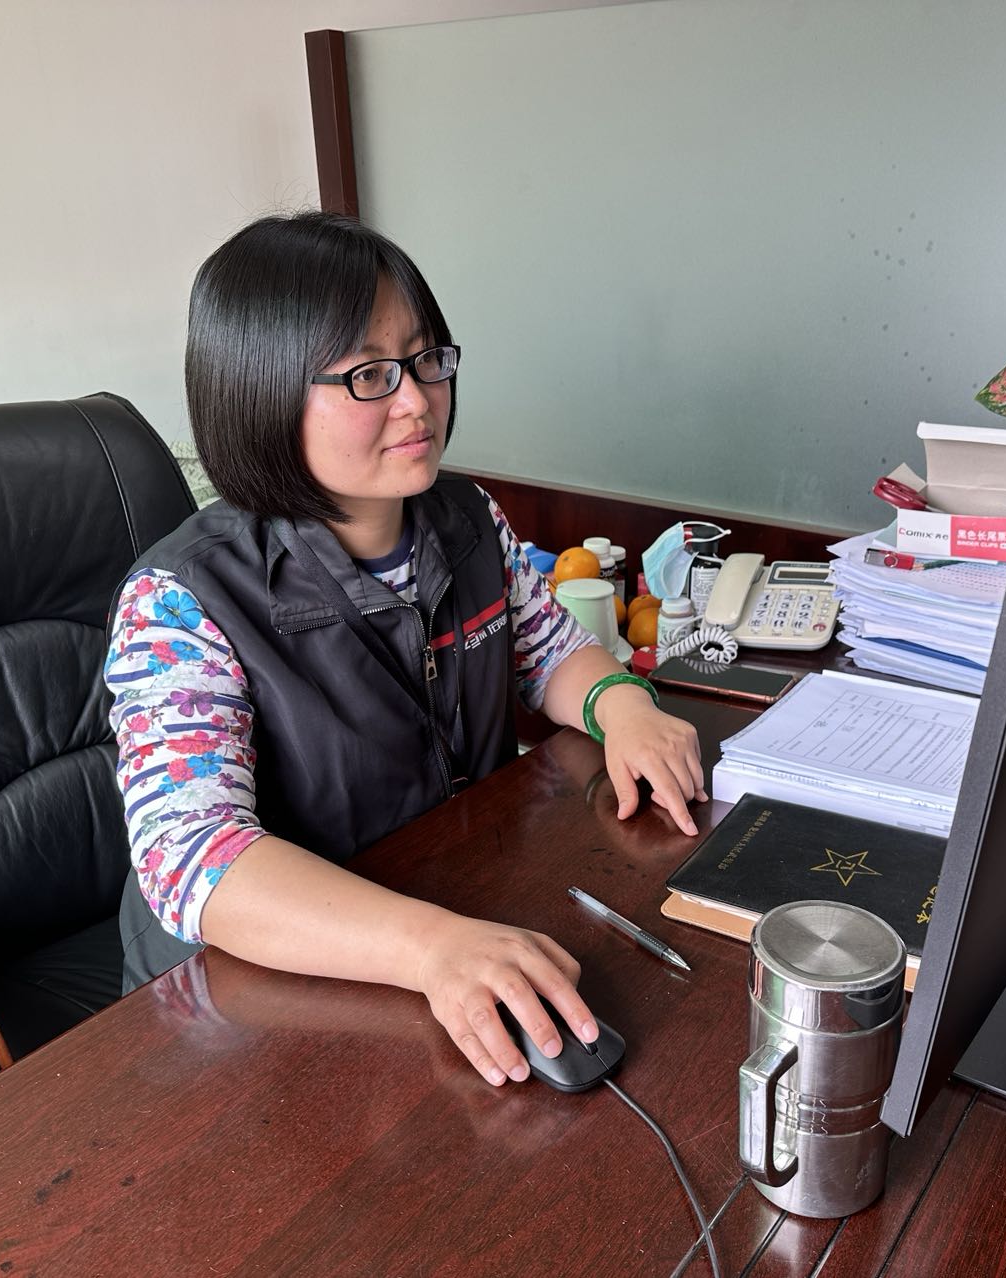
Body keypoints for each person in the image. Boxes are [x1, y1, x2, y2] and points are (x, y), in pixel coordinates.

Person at [104, 211, 707, 1088]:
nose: (418, 399)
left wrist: (623, 707)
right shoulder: (180, 601)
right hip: (262, 1004)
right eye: (369, 374)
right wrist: (430, 949)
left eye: (426, 359)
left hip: (453, 907)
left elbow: (547, 651)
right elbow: (194, 862)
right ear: (260, 392)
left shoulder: (466, 519)